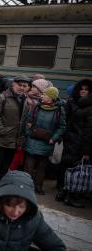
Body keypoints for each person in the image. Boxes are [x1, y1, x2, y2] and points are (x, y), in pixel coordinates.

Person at [0, 75, 29, 192]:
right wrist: (1, 130)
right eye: (19, 85)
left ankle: (0, 181)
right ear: (13, 85)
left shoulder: (25, 99)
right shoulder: (2, 97)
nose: (22, 87)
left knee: (6, 163)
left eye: (25, 86)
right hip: (1, 137)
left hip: (14, 138)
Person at [56, 78, 92, 207]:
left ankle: (69, 193)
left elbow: (89, 131)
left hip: (82, 142)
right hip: (70, 140)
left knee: (75, 169)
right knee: (66, 166)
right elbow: (64, 121)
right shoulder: (71, 102)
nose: (83, 91)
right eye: (81, 89)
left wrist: (86, 150)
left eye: (86, 89)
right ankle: (64, 192)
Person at [23, 87, 66, 195]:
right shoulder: (37, 107)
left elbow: (62, 127)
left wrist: (53, 138)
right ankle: (25, 185)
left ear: (51, 98)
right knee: (29, 166)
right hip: (32, 140)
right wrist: (28, 133)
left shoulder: (59, 110)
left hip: (47, 142)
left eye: (44, 95)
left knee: (42, 167)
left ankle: (38, 186)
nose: (41, 96)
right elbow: (28, 120)